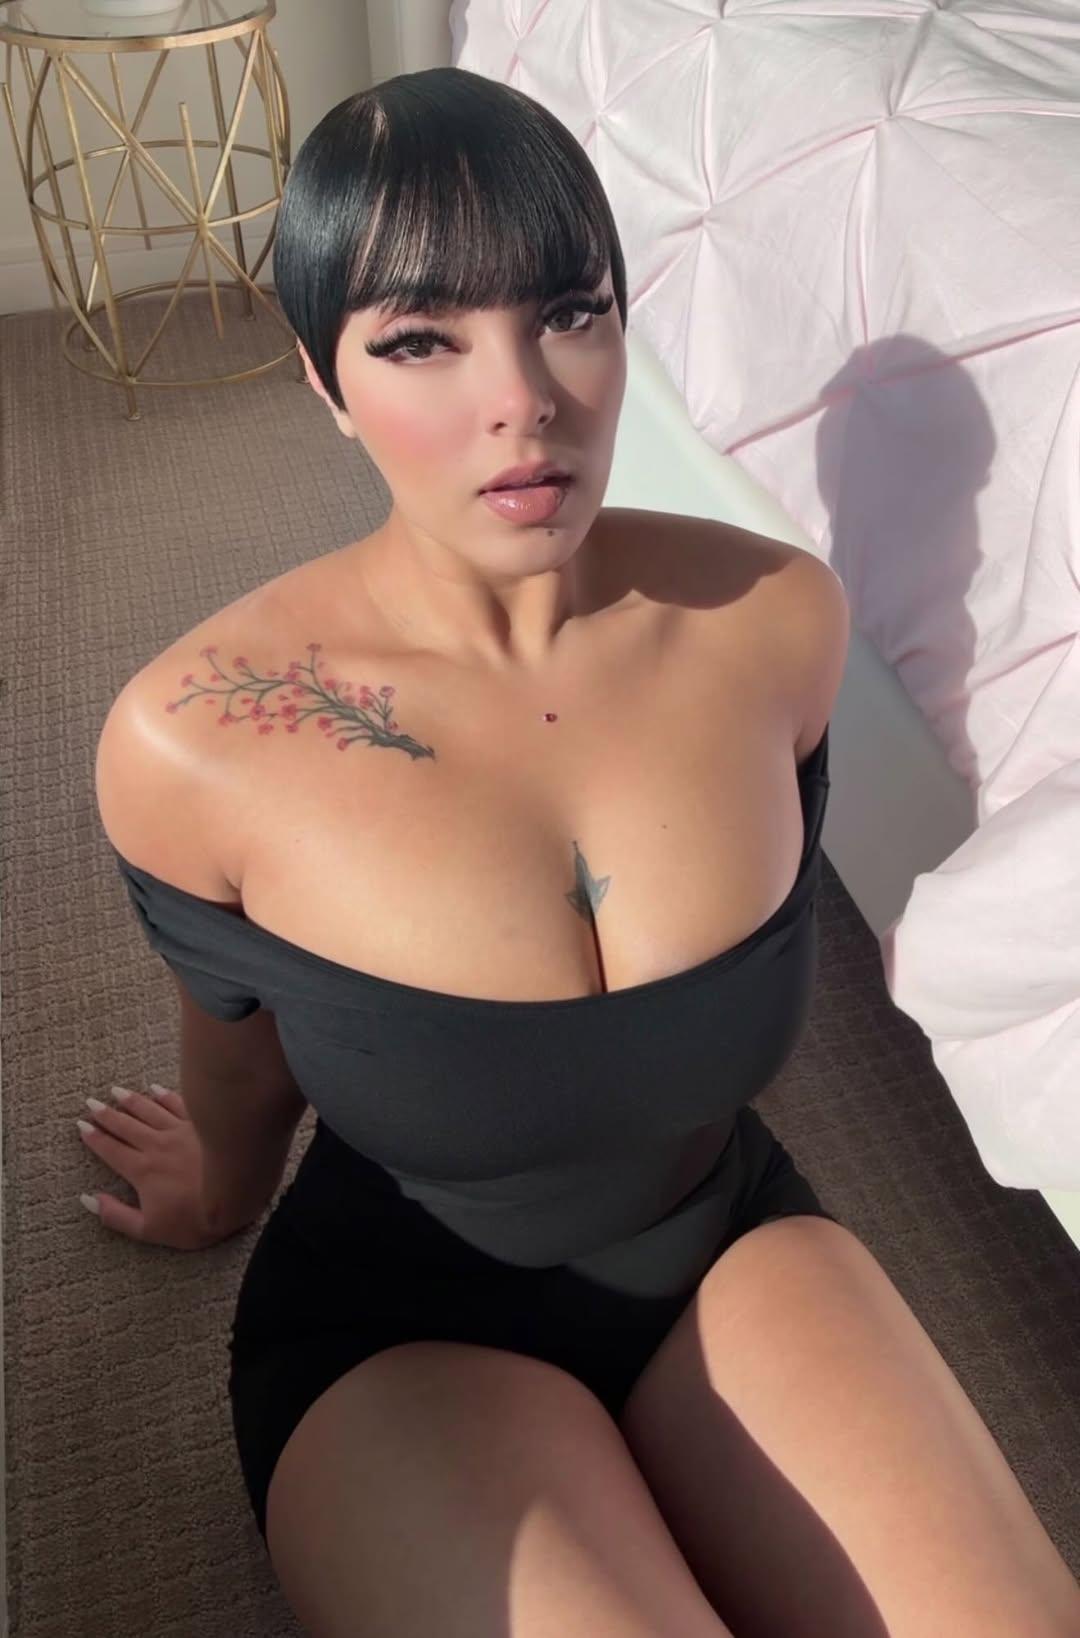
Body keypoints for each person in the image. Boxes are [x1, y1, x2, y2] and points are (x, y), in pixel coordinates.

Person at [85, 66, 1080, 1638]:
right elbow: (241, 1030)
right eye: (422, 339)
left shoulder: (778, 624)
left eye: (568, 311)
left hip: (723, 1244)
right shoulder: (193, 733)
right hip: (400, 1331)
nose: (522, 399)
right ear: (324, 379)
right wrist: (217, 1185)